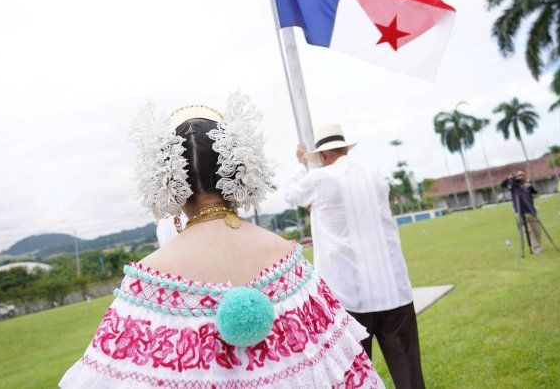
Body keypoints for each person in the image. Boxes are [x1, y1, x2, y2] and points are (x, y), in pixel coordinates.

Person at [60, 95, 383, 388]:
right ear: (237, 171)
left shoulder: (145, 280)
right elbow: (343, 371)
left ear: (168, 181)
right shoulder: (288, 256)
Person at [284, 124, 424, 389]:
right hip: (394, 288)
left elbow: (292, 193)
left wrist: (301, 164)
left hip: (350, 295)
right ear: (345, 148)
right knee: (410, 374)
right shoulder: (375, 174)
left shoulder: (320, 178)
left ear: (323, 156)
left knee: (355, 377)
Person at [501, 170, 542, 254]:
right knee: (528, 231)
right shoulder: (513, 186)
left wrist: (530, 186)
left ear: (525, 176)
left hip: (531, 211)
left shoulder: (528, 185)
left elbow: (535, 192)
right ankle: (535, 247)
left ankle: (538, 244)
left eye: (522, 175)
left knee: (537, 230)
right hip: (520, 212)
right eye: (518, 175)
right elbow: (503, 184)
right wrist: (508, 178)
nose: (520, 177)